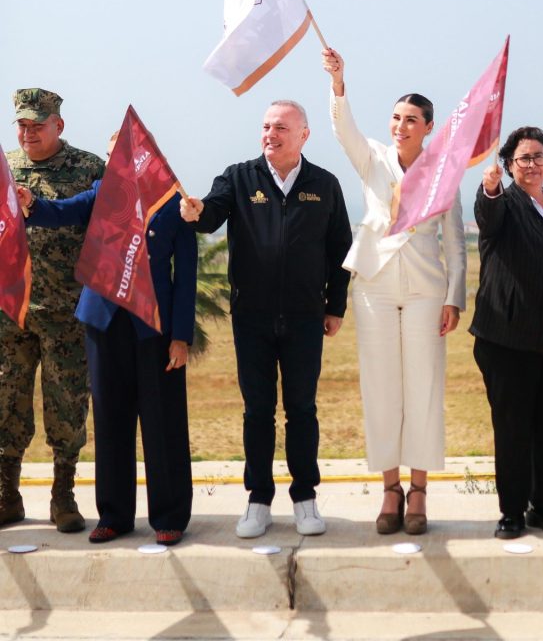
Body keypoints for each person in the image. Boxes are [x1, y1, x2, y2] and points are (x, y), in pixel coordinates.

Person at [180, 100, 351, 539]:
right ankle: (258, 500)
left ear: (303, 135)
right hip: (252, 319)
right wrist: (196, 211)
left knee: (302, 410)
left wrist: (335, 307)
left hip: (305, 319)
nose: (270, 134)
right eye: (266, 126)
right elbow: (211, 214)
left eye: (280, 127)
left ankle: (305, 499)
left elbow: (340, 250)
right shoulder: (239, 177)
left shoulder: (324, 185)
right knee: (257, 411)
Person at [18, 131, 197, 546]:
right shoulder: (101, 193)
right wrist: (32, 206)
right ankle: (114, 515)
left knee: (162, 424)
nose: (119, 157)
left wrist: (182, 338)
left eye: (128, 150)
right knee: (111, 421)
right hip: (104, 323)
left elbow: (185, 276)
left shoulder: (175, 204)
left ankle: (169, 515)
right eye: (113, 150)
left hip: (155, 327)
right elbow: (61, 212)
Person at [322, 48, 466, 535]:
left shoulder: (444, 171)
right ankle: (389, 490)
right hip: (374, 287)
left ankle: (420, 491)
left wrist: (455, 297)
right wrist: (339, 84)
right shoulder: (373, 160)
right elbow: (344, 131)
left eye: (412, 120)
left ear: (429, 126)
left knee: (423, 388)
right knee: (381, 387)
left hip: (428, 289)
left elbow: (457, 245)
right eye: (396, 118)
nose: (401, 126)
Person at [470, 127, 543, 540]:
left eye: (539, 157)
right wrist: (489, 189)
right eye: (523, 158)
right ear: (508, 165)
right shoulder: (503, 204)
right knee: (513, 428)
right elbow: (488, 216)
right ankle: (512, 512)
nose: (532, 165)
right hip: (508, 340)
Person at [1, 89, 105, 533]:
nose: (28, 133)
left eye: (37, 125)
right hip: (12, 311)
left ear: (58, 126)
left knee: (67, 406)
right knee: (7, 402)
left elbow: (106, 235)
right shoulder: (4, 168)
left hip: (66, 311)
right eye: (22, 125)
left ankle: (63, 494)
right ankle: (7, 493)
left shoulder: (87, 169)